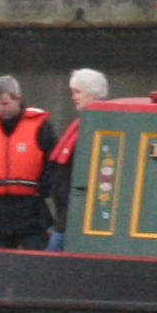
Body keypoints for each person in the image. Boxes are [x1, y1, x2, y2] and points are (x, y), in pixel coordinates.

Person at [0, 75, 57, 249]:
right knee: (1, 258)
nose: (1, 109)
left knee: (34, 253)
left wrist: (44, 188)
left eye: (6, 104)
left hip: (30, 206)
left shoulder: (41, 126)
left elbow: (52, 160)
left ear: (18, 99)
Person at [44, 68, 110, 244]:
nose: (73, 97)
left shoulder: (97, 129)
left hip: (75, 217)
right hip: (65, 214)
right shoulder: (83, 125)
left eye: (77, 92)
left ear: (93, 93)